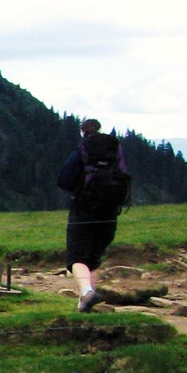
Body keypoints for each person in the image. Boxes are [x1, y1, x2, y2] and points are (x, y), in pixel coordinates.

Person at [57, 119, 127, 312]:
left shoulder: (81, 151)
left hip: (84, 209)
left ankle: (87, 292)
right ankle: (85, 303)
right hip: (110, 211)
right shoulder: (114, 152)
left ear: (83, 132)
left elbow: (64, 180)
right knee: (93, 257)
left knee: (77, 259)